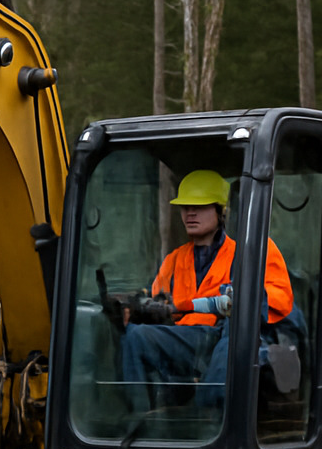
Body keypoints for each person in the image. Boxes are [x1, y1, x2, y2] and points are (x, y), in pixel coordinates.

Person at [121, 169, 294, 412]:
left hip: (226, 337)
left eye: (200, 206)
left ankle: (213, 415)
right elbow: (159, 303)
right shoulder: (174, 260)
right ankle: (141, 420)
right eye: (185, 207)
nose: (190, 213)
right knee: (136, 336)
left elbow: (281, 299)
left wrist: (240, 299)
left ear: (221, 211)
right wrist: (141, 310)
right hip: (188, 340)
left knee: (232, 338)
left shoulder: (254, 250)